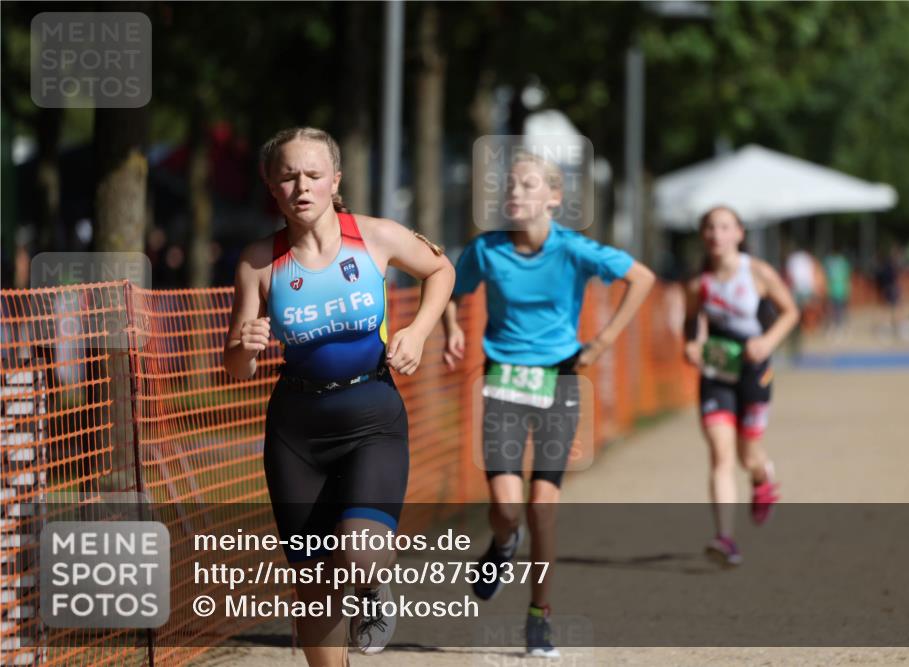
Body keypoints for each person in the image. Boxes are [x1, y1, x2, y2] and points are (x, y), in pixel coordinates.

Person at [223, 127, 454, 665]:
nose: (301, 186)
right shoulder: (258, 261)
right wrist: (245, 347)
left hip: (371, 415)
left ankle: (373, 587)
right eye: (288, 176)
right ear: (272, 186)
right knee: (314, 584)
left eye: (313, 174)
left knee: (360, 553)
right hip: (297, 432)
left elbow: (441, 268)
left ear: (335, 180)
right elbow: (234, 367)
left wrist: (419, 332)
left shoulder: (374, 236)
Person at [441, 151, 654, 657]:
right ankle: (502, 544)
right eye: (510, 185)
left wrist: (601, 343)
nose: (515, 193)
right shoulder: (486, 249)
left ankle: (539, 616)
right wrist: (451, 328)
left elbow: (641, 277)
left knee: (542, 507)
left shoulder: (573, 248)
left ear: (555, 197)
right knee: (506, 507)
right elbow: (449, 288)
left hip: (559, 384)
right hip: (502, 381)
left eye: (528, 184)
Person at [683, 206, 799, 566]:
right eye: (710, 228)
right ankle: (725, 538)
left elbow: (790, 312)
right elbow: (691, 321)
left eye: (724, 227)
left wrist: (767, 342)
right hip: (717, 373)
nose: (716, 234)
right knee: (721, 454)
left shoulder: (758, 272)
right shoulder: (697, 283)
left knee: (748, 456)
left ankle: (763, 477)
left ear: (738, 234)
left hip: (754, 372)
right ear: (703, 235)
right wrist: (691, 344)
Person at [823, 248, 852, 338]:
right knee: (837, 310)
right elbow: (847, 277)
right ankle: (836, 327)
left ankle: (837, 327)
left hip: (836, 290)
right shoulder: (841, 262)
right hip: (836, 290)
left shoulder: (829, 261)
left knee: (837, 310)